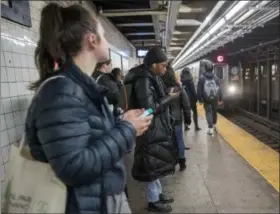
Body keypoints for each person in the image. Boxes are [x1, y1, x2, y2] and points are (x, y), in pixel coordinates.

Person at [25, 3, 153, 214]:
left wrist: (121, 123)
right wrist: (127, 130)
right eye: (104, 34)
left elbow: (90, 137)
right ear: (92, 39)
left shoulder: (81, 86)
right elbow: (74, 167)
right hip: (88, 205)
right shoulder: (62, 91)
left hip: (100, 197)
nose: (107, 40)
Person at [125, 47, 178, 213]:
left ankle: (158, 194)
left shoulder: (152, 76)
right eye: (163, 65)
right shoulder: (144, 80)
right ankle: (153, 201)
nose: (165, 68)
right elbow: (148, 109)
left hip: (154, 127)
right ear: (153, 64)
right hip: (148, 128)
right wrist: (169, 98)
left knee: (155, 163)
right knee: (151, 164)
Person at [161, 63, 192, 171]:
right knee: (179, 140)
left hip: (164, 120)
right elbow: (186, 105)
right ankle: (182, 162)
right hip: (177, 119)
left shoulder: (161, 89)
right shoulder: (179, 88)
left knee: (168, 141)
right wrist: (188, 119)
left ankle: (170, 162)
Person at [197, 59, 222, 135]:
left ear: (205, 68)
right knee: (214, 111)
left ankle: (210, 128)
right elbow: (219, 89)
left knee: (208, 112)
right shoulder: (216, 78)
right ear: (212, 69)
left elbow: (199, 90)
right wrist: (220, 98)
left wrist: (200, 99)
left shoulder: (201, 78)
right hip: (215, 98)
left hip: (206, 98)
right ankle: (214, 125)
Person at [181, 67, 201, 131]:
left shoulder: (181, 79)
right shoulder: (190, 79)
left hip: (184, 98)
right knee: (195, 112)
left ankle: (186, 126)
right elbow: (193, 90)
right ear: (189, 72)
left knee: (185, 112)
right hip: (191, 98)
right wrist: (196, 98)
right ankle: (196, 126)